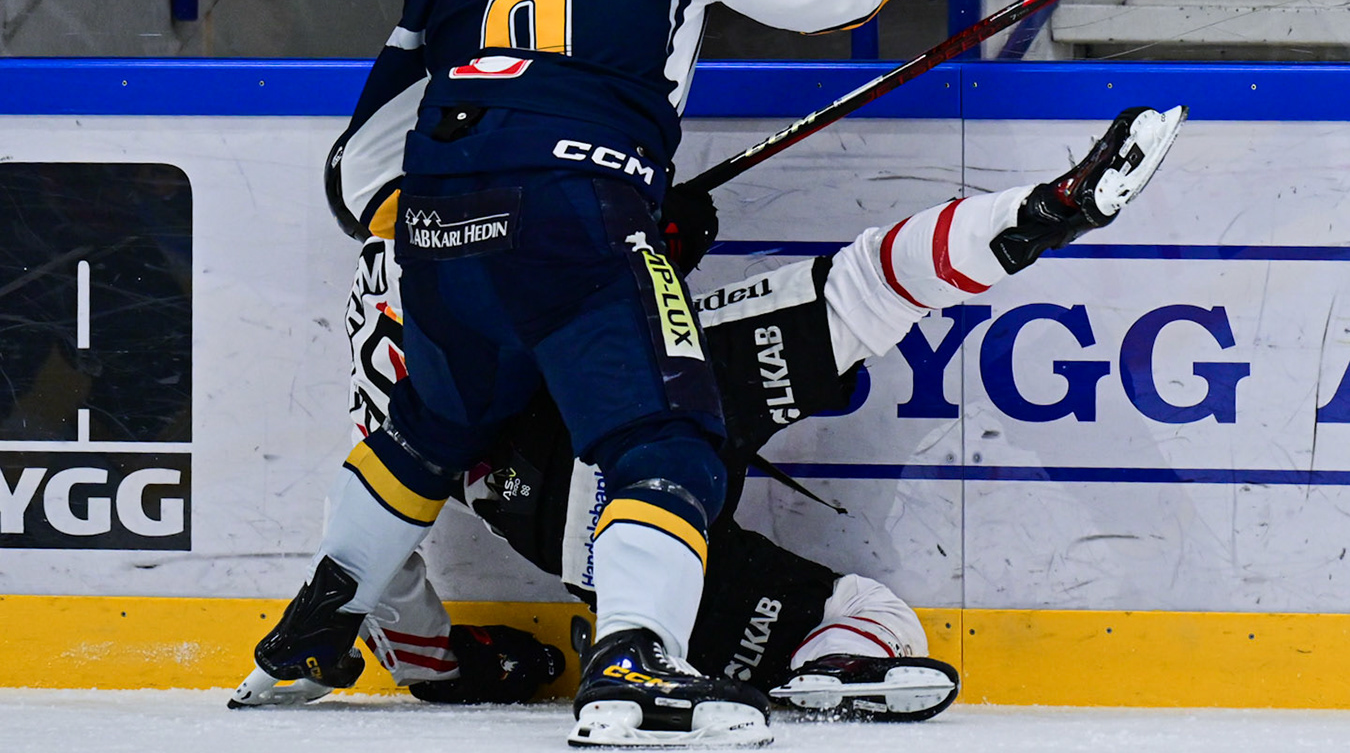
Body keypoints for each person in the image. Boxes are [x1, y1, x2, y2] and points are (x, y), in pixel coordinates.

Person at [234, 0, 988, 749]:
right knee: (665, 435)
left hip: (439, 225)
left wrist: (491, 211)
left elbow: (358, 165)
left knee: (425, 432)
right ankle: (634, 655)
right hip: (575, 214)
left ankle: (309, 635)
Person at [237, 104, 1186, 719]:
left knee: (851, 609)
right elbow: (570, 301)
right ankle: (1046, 210)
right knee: (858, 292)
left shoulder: (384, 288)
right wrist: (636, 237)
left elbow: (379, 518)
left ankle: (728, 652)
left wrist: (440, 666)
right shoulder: (500, 199)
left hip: (572, 537)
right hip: (628, 403)